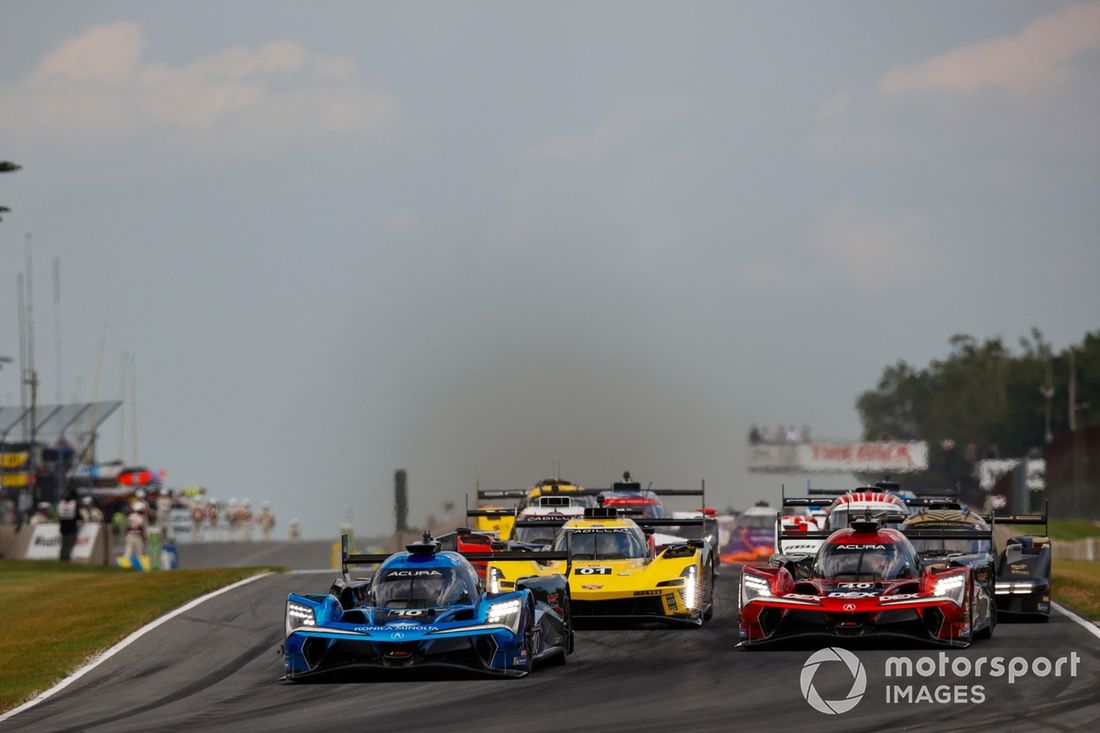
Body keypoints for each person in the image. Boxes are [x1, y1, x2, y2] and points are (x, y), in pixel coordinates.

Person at [58, 490, 81, 562]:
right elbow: (77, 516)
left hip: (63, 526)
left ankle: (62, 556)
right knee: (69, 543)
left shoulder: (61, 503)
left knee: (64, 542)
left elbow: (60, 516)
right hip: (71, 527)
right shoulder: (75, 504)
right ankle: (66, 557)